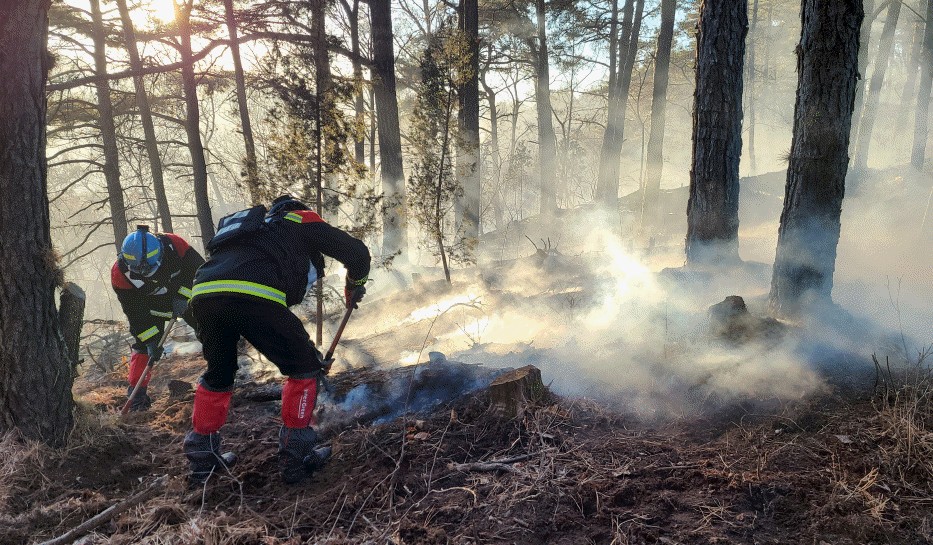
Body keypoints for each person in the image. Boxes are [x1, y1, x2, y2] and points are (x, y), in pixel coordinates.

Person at [184, 195, 370, 485]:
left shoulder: (252, 231)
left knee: (219, 373)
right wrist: (355, 285)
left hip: (204, 294)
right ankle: (296, 458)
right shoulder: (299, 219)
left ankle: (202, 462)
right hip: (253, 293)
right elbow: (356, 253)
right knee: (304, 368)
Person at [112, 225, 204, 411]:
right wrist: (150, 341)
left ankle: (220, 373)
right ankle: (137, 397)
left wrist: (184, 295)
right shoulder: (120, 274)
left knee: (207, 328)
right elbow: (135, 312)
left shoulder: (174, 245)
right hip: (151, 309)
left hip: (184, 299)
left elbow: (199, 271)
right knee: (143, 347)